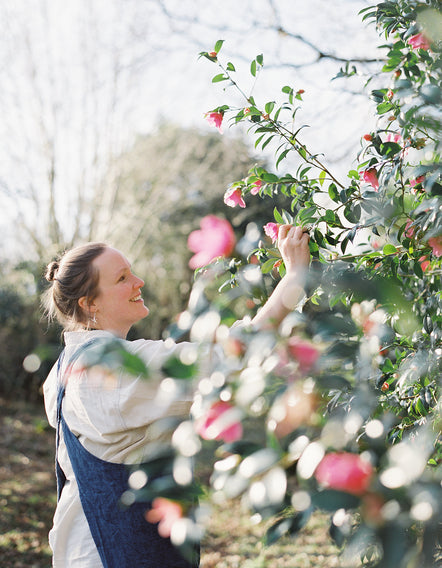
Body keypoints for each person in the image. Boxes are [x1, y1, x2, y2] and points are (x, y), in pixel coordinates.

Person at [42, 225, 310, 568]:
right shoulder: (111, 367)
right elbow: (226, 357)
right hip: (114, 555)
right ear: (89, 302)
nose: (139, 282)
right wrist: (294, 278)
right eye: (122, 278)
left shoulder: (69, 365)